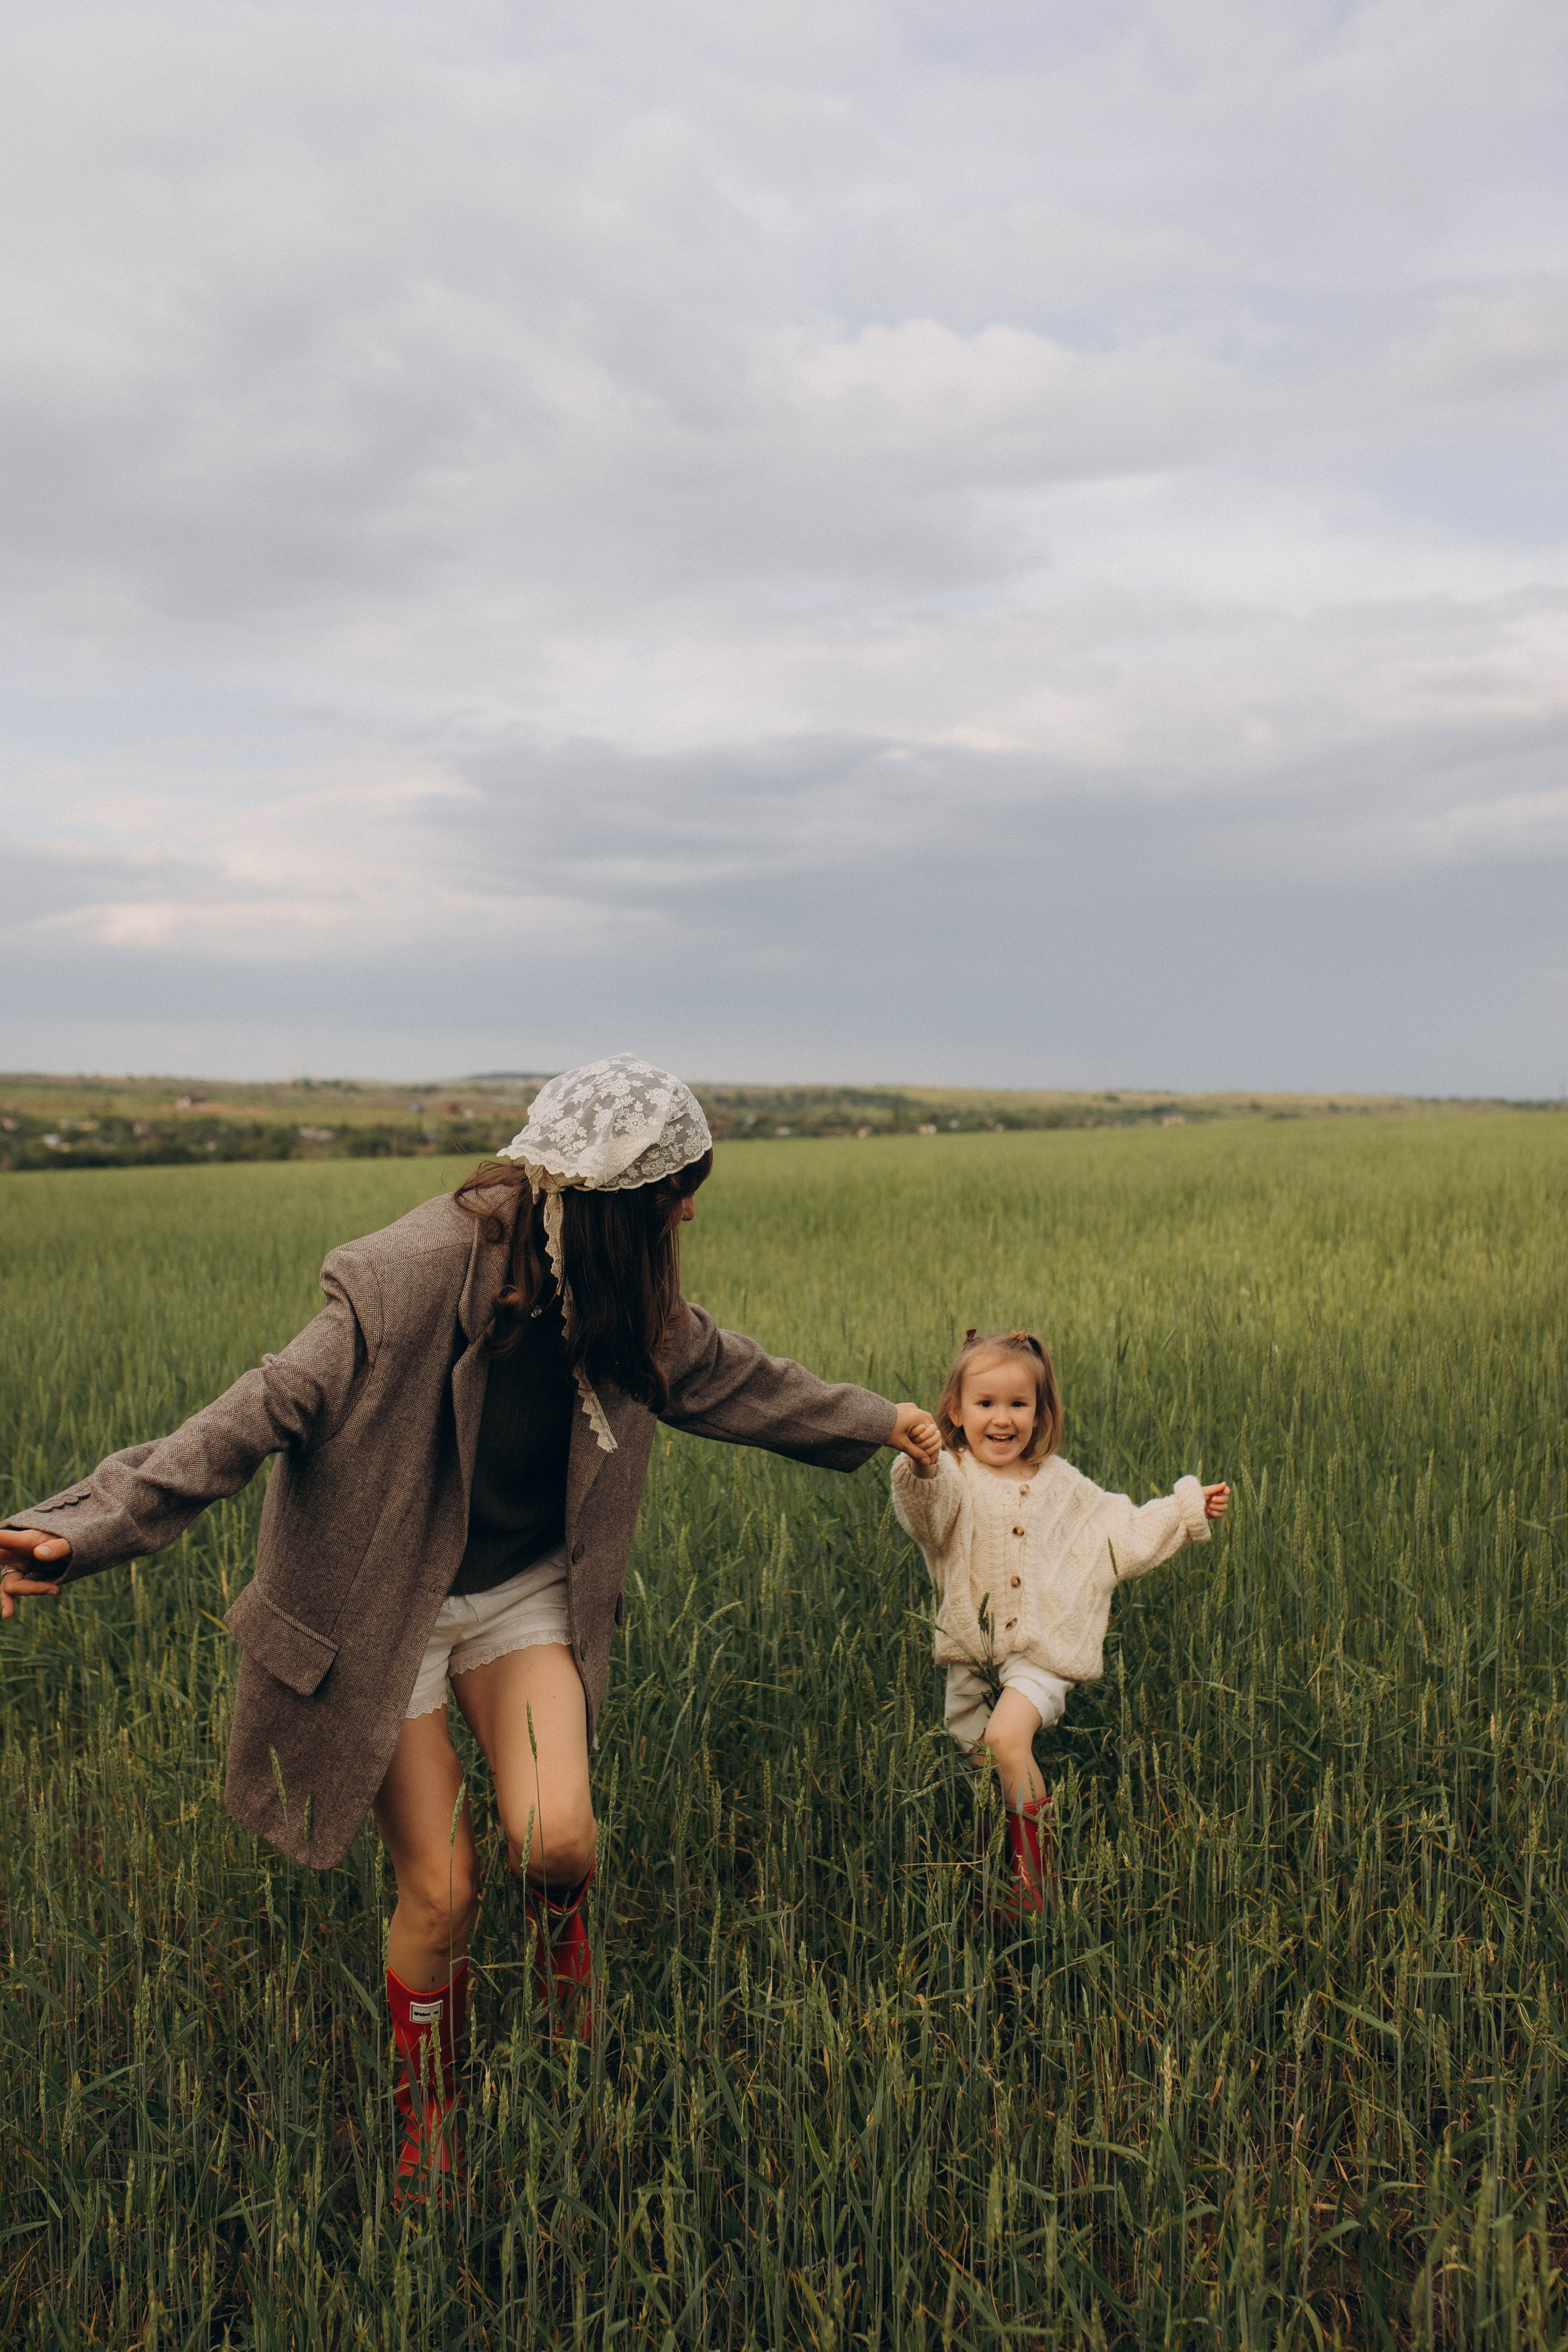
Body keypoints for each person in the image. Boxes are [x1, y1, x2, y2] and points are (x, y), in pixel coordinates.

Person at [1, 1054, 941, 2194]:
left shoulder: (625, 1297)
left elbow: (727, 1376)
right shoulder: (407, 1275)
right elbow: (259, 1409)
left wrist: (882, 1418)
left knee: (559, 1842)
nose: (688, 1214)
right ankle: (428, 2113)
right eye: (677, 1194)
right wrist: (81, 1528)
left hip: (521, 1589)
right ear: (617, 1202)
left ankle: (562, 1958)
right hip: (388, 1605)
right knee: (442, 1890)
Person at [892, 1327, 1227, 1915]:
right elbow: (927, 1518)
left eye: (1019, 1404)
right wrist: (922, 1466)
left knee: (1006, 1739)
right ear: (956, 1411)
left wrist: (1184, 1509)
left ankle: (1035, 1889)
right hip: (973, 1648)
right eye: (986, 1403)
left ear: (1041, 1412)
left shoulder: (1062, 1485)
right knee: (982, 1760)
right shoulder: (952, 1475)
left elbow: (1119, 1531)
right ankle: (998, 1864)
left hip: (1044, 1651)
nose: (1003, 1419)